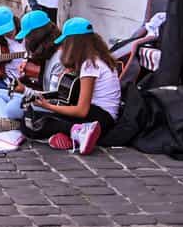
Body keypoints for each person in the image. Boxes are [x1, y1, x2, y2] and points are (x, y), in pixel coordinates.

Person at [24, 17, 121, 155]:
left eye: (65, 43)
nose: (63, 47)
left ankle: (78, 132)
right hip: (103, 116)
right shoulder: (98, 58)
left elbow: (82, 110)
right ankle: (73, 135)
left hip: (99, 118)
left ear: (74, 44)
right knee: (35, 118)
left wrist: (48, 106)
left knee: (33, 123)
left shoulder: (90, 65)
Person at [0, 10, 63, 127]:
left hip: (48, 106)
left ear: (37, 36)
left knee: (12, 108)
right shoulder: (44, 52)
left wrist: (25, 90)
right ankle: (9, 123)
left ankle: (10, 122)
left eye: (27, 37)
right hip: (37, 97)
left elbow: (53, 99)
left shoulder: (58, 60)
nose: (25, 41)